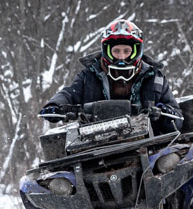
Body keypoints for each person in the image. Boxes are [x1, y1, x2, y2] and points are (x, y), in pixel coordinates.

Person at [39, 19, 183, 135]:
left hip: (149, 144)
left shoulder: (154, 77)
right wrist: (55, 105)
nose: (121, 56)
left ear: (136, 51)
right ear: (107, 50)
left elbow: (177, 118)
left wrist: (164, 113)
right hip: (96, 146)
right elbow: (69, 93)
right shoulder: (89, 75)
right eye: (116, 51)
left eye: (127, 51)